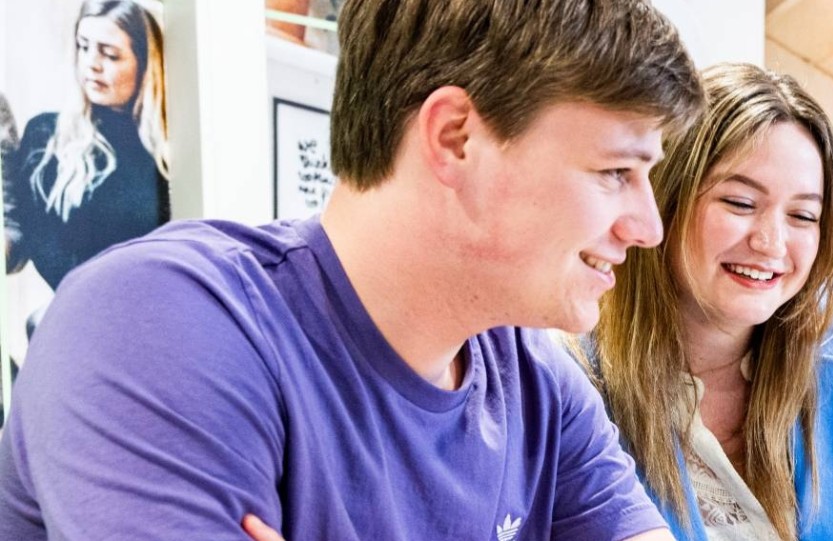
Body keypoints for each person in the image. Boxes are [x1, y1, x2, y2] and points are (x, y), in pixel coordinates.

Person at [0, 0, 703, 539]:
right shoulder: (157, 327)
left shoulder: (540, 389)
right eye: (616, 171)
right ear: (455, 138)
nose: (647, 228)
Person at [589, 63, 833, 541]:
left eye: (803, 215)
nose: (771, 242)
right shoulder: (573, 372)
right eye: (740, 203)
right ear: (666, 199)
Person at [3, 0, 169, 293]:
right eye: (83, 46)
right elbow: (35, 241)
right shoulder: (47, 138)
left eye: (110, 54)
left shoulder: (169, 151)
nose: (91, 64)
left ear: (145, 62)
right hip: (81, 312)